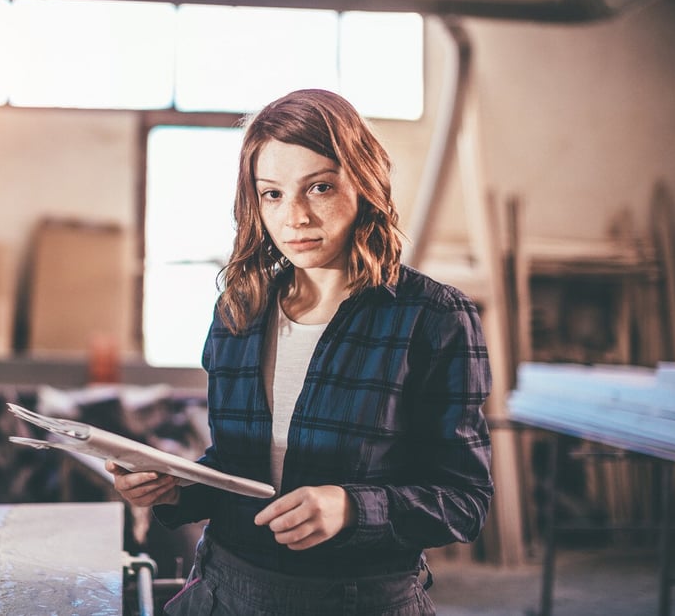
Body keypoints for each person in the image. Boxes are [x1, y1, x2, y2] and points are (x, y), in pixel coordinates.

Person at [107, 88, 493, 615]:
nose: (296, 217)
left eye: (320, 187)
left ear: (365, 183)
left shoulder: (433, 318)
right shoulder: (239, 310)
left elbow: (464, 501)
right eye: (272, 194)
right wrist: (176, 488)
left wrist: (352, 509)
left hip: (360, 602)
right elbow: (236, 468)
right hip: (224, 590)